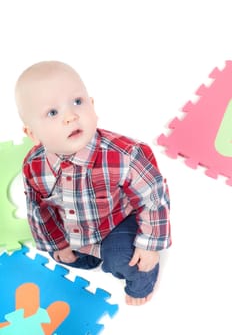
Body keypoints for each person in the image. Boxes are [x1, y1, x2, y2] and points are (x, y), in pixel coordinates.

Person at [15, 61, 171, 306]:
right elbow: (39, 210)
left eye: (78, 102)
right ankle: (88, 256)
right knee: (60, 255)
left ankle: (143, 279)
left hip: (119, 220)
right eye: (52, 113)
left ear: (93, 106)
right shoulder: (34, 166)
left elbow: (153, 197)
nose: (70, 116)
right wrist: (57, 243)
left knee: (122, 259)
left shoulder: (123, 155)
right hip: (77, 227)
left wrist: (149, 244)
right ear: (33, 134)